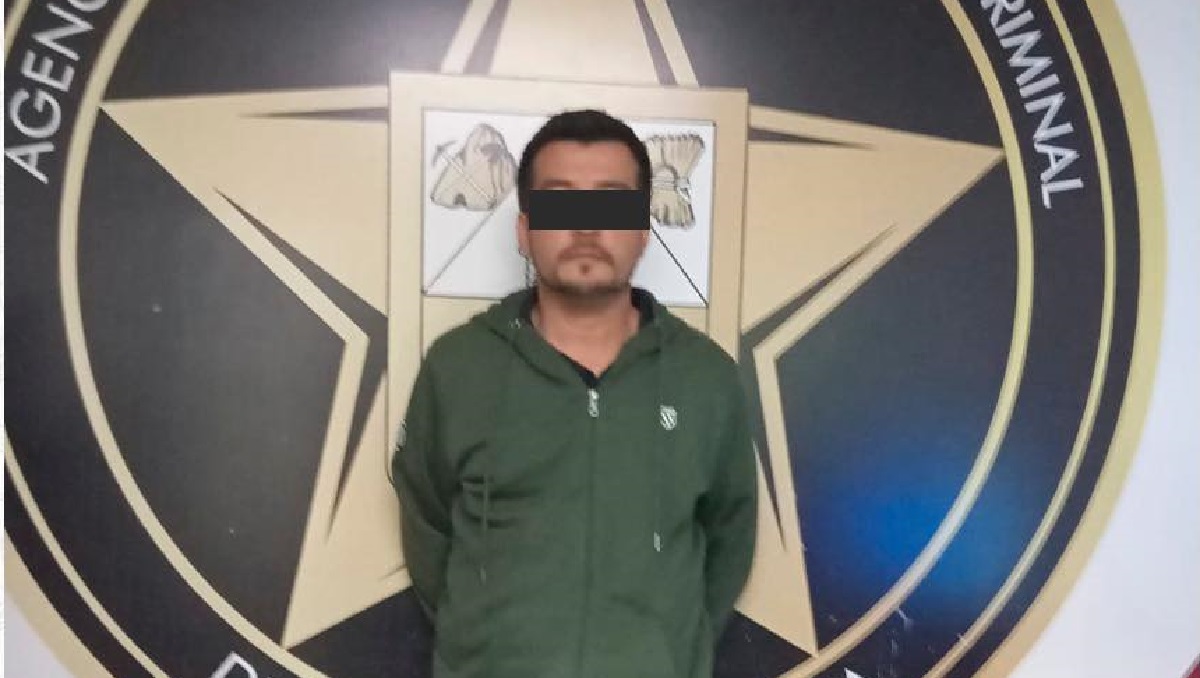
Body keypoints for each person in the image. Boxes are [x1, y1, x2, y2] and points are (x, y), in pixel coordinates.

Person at [391, 109, 757, 678]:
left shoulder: (706, 379)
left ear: (642, 230)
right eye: (561, 204)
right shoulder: (457, 368)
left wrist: (654, 653)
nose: (586, 229)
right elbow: (429, 528)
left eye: (610, 205)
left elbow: (728, 539)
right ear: (524, 230)